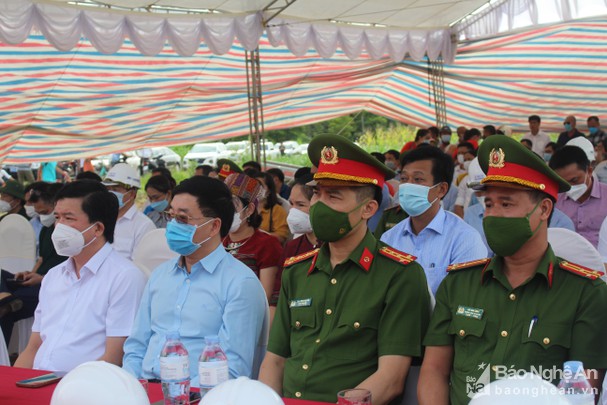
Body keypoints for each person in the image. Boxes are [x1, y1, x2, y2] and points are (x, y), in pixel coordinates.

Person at [419, 135, 607, 405]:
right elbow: (434, 371)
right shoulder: (459, 283)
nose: (492, 215)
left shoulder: (585, 293)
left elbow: (582, 392)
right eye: (489, 204)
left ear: (544, 209)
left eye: (506, 204)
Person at [259, 134, 431, 405]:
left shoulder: (399, 275)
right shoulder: (297, 271)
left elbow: (391, 378)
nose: (318, 205)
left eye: (333, 196)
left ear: (368, 209)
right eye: (317, 193)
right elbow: (275, 360)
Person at [123, 176, 266, 384]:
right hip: (144, 387)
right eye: (171, 216)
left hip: (199, 393)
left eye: (182, 219)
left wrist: (183, 394)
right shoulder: (160, 275)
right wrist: (130, 385)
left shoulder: (240, 283)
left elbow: (233, 369)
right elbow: (136, 347)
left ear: (214, 226)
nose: (172, 225)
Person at [15, 180, 147, 373]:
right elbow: (33, 348)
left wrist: (66, 385)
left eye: (69, 218)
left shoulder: (124, 277)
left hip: (84, 384)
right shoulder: (53, 276)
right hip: (38, 379)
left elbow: (114, 357)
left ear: (98, 228)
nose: (59, 226)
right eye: (57, 217)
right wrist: (14, 381)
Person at [380, 146, 487, 295]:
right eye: (404, 179)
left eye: (418, 179)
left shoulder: (465, 239)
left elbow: (465, 298)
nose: (408, 186)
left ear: (441, 189)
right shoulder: (389, 238)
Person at [0, 183, 66, 344]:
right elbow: (41, 259)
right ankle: (6, 297)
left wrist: (41, 278)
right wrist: (30, 273)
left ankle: (6, 302)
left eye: (44, 212)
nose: (41, 216)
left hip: (49, 283)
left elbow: (68, 269)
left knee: (5, 310)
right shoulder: (46, 229)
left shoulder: (66, 234)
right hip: (37, 279)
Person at [222, 173, 283, 311]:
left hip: (248, 312)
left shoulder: (267, 244)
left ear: (249, 210)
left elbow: (264, 296)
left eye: (232, 207)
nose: (225, 213)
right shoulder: (218, 240)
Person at [549, 145, 607, 248]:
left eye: (574, 180)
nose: (570, 187)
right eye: (563, 183)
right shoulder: (554, 201)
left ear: (589, 171)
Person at [102, 163, 156, 260]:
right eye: (108, 189)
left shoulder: (144, 226)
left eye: (115, 189)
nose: (110, 194)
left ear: (132, 194)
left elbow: (140, 265)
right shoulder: (102, 219)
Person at [255, 172, 290, 243]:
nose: (256, 189)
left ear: (269, 190)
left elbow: (281, 237)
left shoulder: (278, 210)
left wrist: (258, 235)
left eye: (260, 186)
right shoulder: (244, 207)